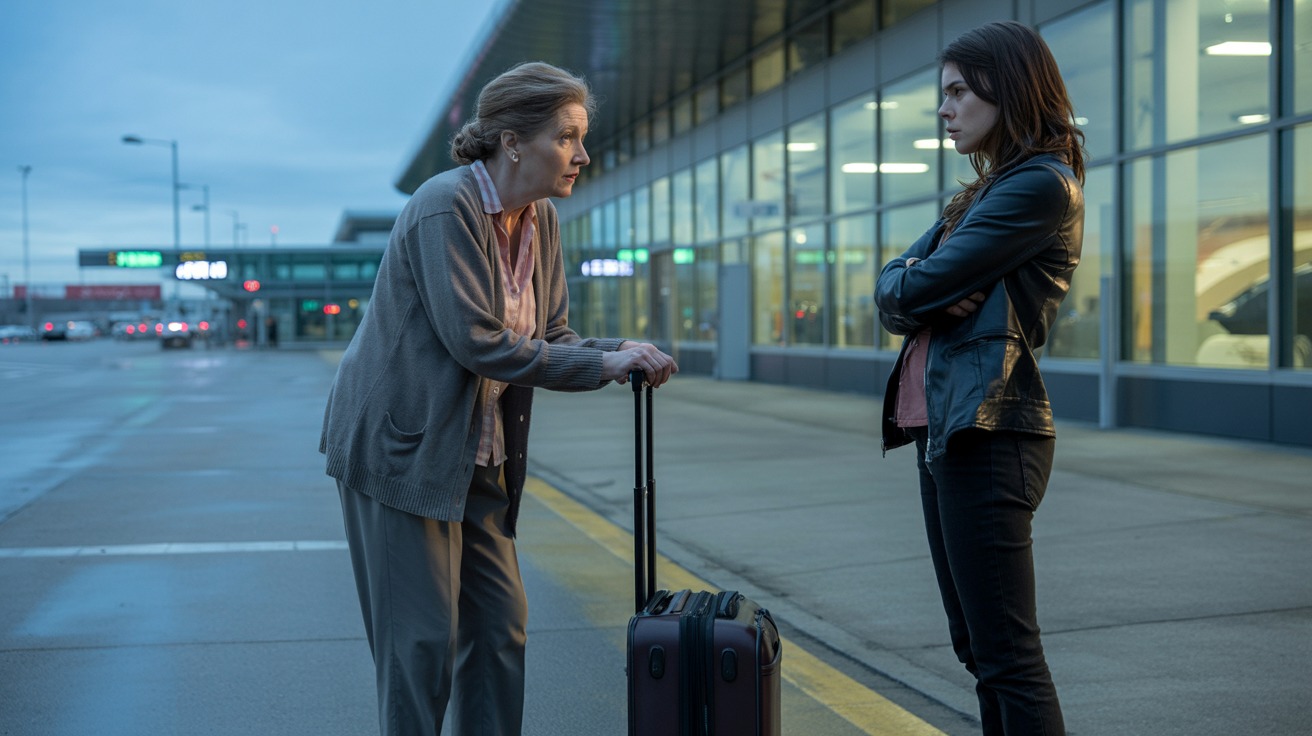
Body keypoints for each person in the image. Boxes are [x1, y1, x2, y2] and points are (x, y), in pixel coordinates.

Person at [319, 61, 677, 736]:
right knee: (421, 646)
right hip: (406, 450)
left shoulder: (541, 219)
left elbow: (553, 335)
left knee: (499, 630)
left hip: (482, 455)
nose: (583, 154)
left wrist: (622, 349)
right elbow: (476, 342)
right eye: (567, 137)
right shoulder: (444, 206)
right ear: (512, 141)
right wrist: (602, 364)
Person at [874, 21, 1085, 736]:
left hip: (991, 432)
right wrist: (916, 286)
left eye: (960, 91)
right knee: (978, 650)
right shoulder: (983, 193)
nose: (945, 109)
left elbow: (915, 283)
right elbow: (894, 288)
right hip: (952, 430)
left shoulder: (1040, 186)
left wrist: (916, 285)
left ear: (1010, 87)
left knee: (1007, 657)